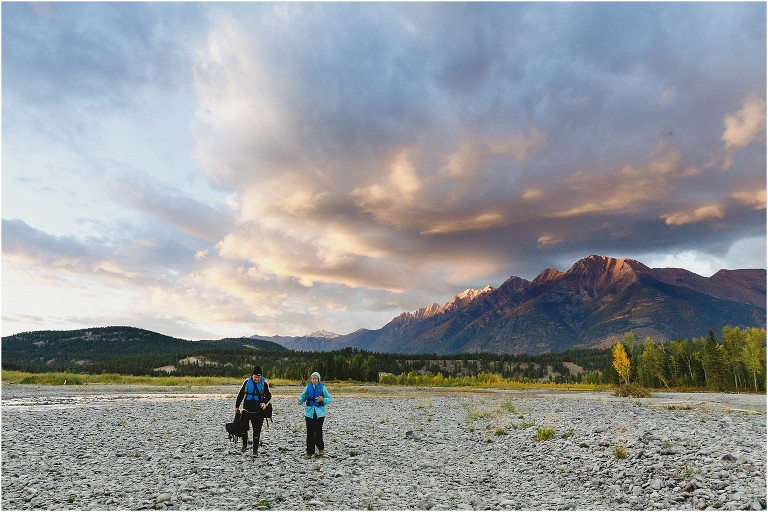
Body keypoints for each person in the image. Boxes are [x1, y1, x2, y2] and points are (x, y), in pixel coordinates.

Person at [235, 365, 271, 455]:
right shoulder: (247, 382)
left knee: (257, 431)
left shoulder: (264, 383)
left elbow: (269, 395)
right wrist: (237, 406)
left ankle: (255, 450)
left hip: (258, 412)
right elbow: (240, 394)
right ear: (252, 375)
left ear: (261, 376)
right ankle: (244, 445)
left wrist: (264, 403)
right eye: (255, 377)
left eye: (258, 377)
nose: (257, 379)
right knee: (243, 428)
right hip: (246, 410)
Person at [297, 371, 332, 458]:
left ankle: (321, 448)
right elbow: (303, 396)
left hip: (320, 414)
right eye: (312, 378)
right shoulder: (307, 387)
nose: (314, 380)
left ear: (318, 379)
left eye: (316, 378)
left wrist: (322, 399)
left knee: (318, 432)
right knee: (310, 433)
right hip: (309, 413)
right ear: (311, 379)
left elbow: (329, 399)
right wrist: (299, 400)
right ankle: (309, 452)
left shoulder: (323, 388)